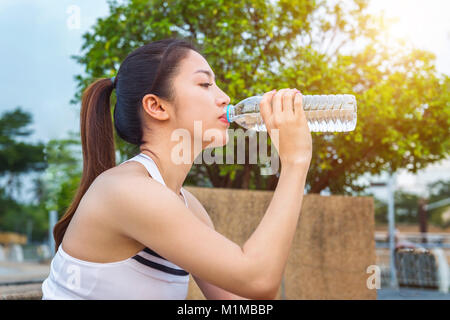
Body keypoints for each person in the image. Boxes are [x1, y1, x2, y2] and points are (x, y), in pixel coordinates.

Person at [41, 38, 312, 300]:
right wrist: (294, 163)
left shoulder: (186, 205)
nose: (225, 97)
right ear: (156, 106)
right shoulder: (126, 191)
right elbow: (258, 280)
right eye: (205, 84)